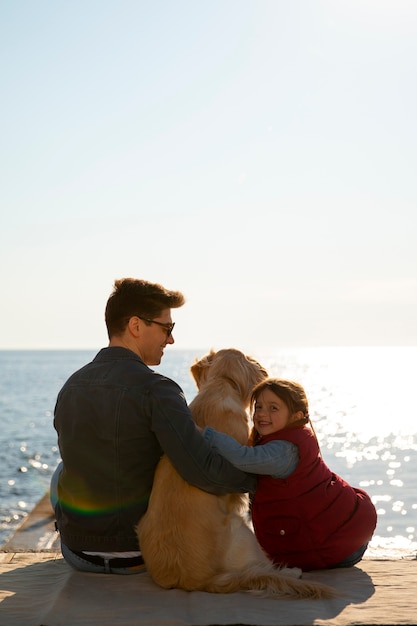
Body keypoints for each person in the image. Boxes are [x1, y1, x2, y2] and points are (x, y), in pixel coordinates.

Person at [50, 277, 256, 575]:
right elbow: (200, 470)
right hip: (139, 553)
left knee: (61, 469)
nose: (170, 340)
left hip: (78, 552)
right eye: (167, 328)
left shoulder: (70, 387)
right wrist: (256, 478)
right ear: (136, 326)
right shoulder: (158, 390)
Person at [202, 378, 377, 571]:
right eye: (258, 407)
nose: (262, 414)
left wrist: (205, 435)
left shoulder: (283, 451)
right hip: (346, 532)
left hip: (336, 548)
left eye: (273, 408)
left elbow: (243, 457)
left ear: (296, 416)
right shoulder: (292, 437)